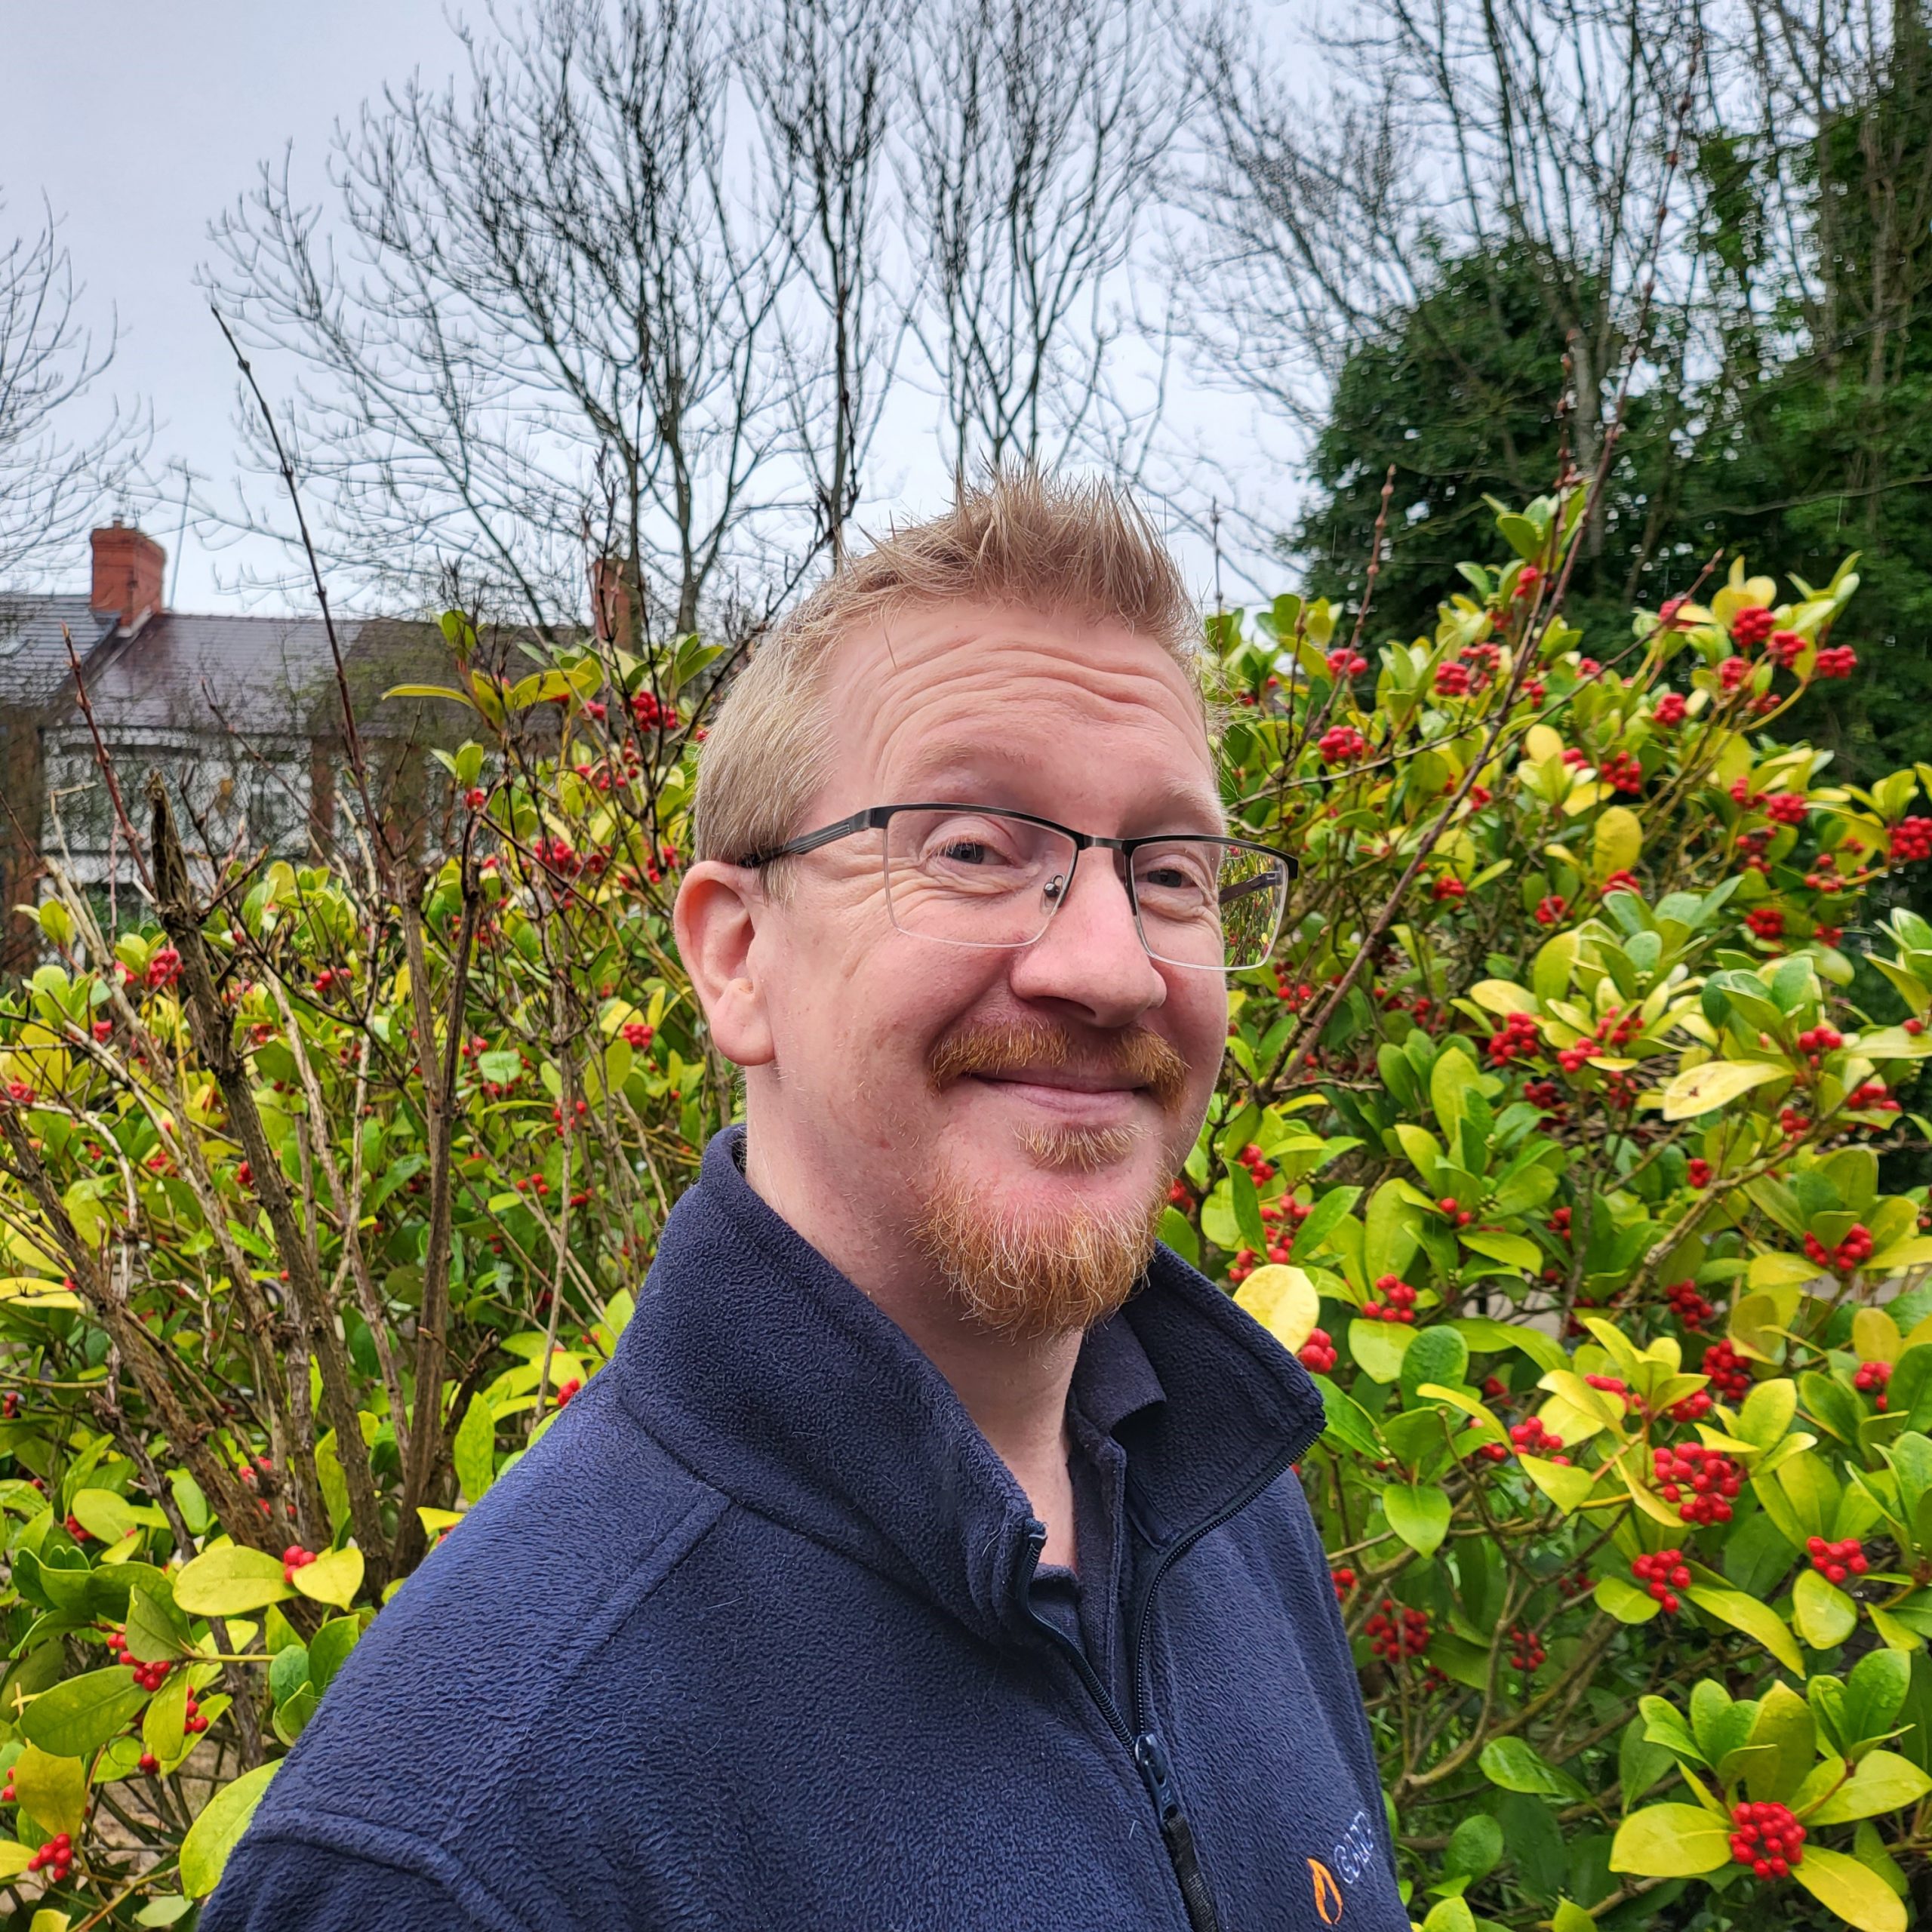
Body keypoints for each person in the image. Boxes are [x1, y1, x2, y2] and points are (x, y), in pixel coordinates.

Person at [204, 473, 1404, 1930]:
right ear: (736, 959)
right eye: (972, 848)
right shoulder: (462, 1845)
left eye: (1168, 872)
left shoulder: (1225, 1497)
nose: (1112, 965)